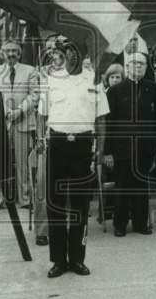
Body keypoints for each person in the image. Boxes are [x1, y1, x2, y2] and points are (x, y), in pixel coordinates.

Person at [38, 37, 109, 277]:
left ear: (84, 54)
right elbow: (42, 114)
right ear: (62, 54)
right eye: (68, 51)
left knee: (80, 204)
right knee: (55, 203)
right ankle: (58, 260)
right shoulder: (52, 80)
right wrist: (40, 141)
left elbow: (101, 118)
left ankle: (77, 258)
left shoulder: (94, 81)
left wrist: (100, 149)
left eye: (76, 51)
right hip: (57, 144)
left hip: (83, 145)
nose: (72, 56)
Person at [104, 52, 156, 237]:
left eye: (142, 64)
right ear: (127, 67)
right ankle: (119, 224)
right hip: (121, 148)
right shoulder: (115, 91)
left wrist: (154, 148)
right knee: (122, 186)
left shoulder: (152, 88)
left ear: (146, 67)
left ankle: (140, 223)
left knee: (141, 186)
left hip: (145, 147)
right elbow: (109, 124)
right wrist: (108, 152)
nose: (138, 67)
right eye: (134, 63)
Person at [0, 39, 41, 213]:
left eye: (14, 51)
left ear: (19, 53)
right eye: (8, 51)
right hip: (1, 122)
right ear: (2, 53)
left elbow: (34, 96)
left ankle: (25, 199)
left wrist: (18, 111)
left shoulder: (30, 71)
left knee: (22, 163)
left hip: (23, 122)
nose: (11, 54)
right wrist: (6, 112)